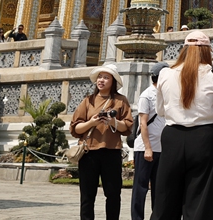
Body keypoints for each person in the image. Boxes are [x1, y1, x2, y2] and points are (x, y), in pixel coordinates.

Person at [151, 31, 213, 220]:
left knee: (166, 195)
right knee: (200, 197)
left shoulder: (165, 73)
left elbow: (161, 110)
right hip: (204, 137)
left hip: (173, 135)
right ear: (207, 50)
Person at [70, 64, 133, 220]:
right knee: (87, 194)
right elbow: (75, 128)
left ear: (113, 81)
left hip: (111, 151)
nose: (101, 80)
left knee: (113, 194)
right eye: (99, 77)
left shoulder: (120, 101)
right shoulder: (88, 101)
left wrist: (112, 122)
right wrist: (92, 122)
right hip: (88, 152)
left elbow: (127, 127)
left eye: (106, 77)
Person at [132, 62, 167, 220]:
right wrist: (147, 148)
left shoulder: (167, 95)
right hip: (145, 148)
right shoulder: (147, 95)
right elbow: (143, 123)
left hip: (162, 148)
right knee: (140, 187)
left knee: (159, 188)